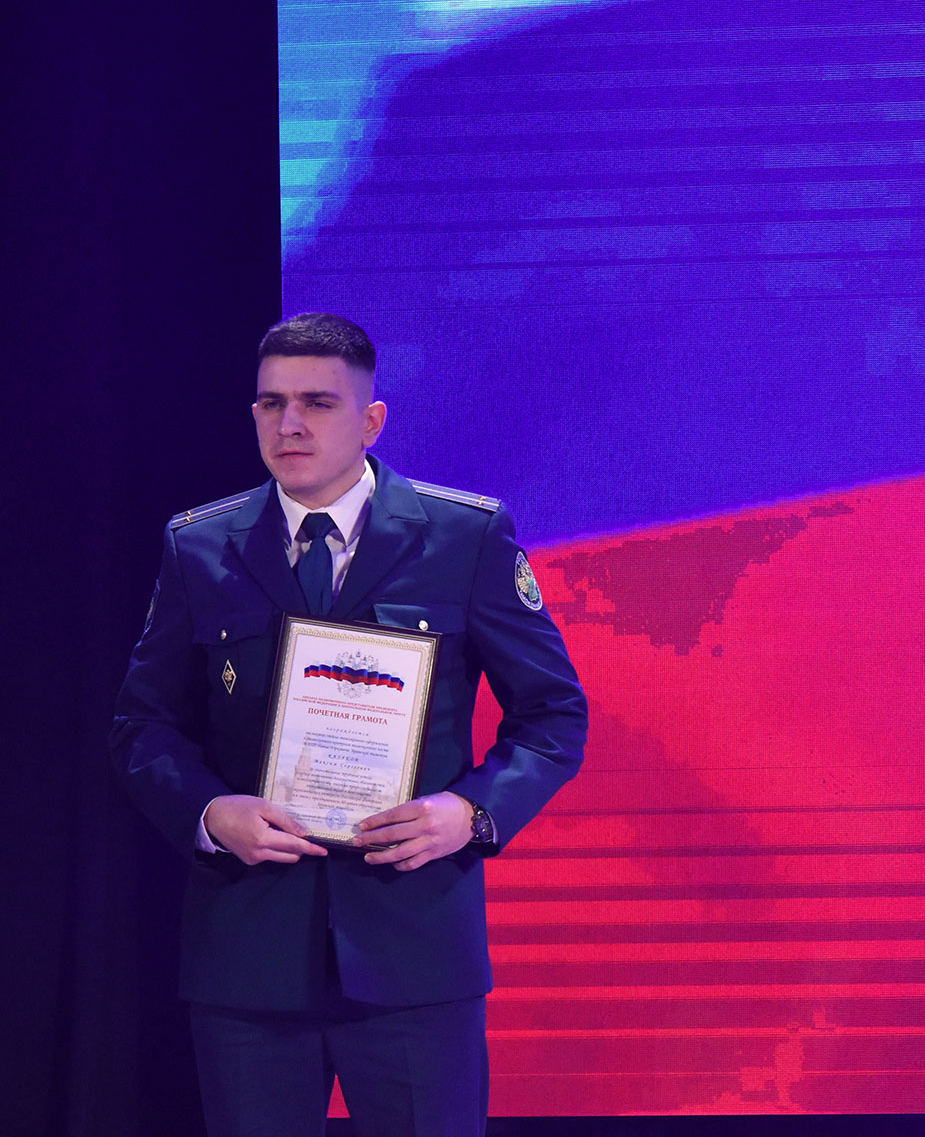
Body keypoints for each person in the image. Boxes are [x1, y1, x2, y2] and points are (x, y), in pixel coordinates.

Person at [112, 313, 589, 1137]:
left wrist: (470, 813)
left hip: (413, 949)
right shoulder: (200, 546)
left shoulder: (465, 536)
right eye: (271, 404)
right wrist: (209, 813)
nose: (289, 425)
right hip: (249, 955)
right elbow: (143, 725)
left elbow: (553, 715)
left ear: (371, 421)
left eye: (317, 403)